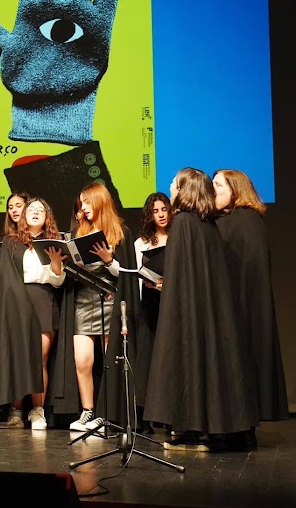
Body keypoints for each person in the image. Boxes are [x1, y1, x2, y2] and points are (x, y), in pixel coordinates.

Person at [144, 168, 259, 451]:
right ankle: (205, 429)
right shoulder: (206, 224)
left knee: (186, 362)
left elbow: (182, 275)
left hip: (188, 314)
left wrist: (167, 290)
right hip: (209, 314)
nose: (170, 187)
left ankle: (191, 430)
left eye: (174, 184)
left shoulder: (183, 222)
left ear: (184, 190)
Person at [54, 182, 139, 431]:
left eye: (87, 202)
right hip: (83, 301)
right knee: (82, 360)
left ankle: (107, 414)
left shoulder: (120, 232)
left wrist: (109, 260)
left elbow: (126, 274)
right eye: (81, 203)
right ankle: (88, 411)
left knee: (109, 360)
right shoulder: (80, 231)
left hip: (109, 302)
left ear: (100, 202)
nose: (83, 207)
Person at [213, 169, 288, 425]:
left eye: (218, 186)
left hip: (242, 313)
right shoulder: (237, 220)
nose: (213, 191)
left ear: (235, 190)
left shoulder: (243, 221)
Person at [0, 197, 66, 430]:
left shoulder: (54, 242)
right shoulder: (11, 242)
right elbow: (7, 279)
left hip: (43, 299)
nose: (35, 212)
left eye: (41, 209)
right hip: (18, 303)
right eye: (31, 209)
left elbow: (58, 281)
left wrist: (56, 264)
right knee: (19, 356)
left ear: (47, 216)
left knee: (39, 358)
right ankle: (16, 411)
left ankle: (38, 410)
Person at [132, 191, 169, 433]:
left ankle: (169, 415)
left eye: (164, 209)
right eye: (155, 211)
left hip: (172, 303)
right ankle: (144, 417)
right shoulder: (141, 243)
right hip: (150, 303)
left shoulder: (179, 236)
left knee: (168, 357)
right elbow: (136, 274)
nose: (161, 215)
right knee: (147, 359)